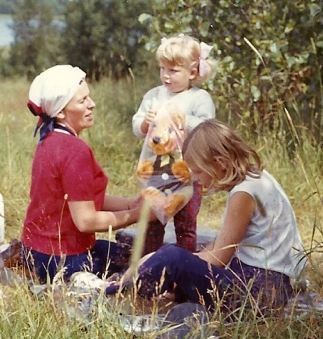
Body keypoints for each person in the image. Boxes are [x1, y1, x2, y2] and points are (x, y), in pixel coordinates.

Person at [131, 119, 308, 317]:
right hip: (266, 283)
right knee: (177, 260)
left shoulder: (244, 193)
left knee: (172, 257)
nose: (195, 178)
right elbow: (219, 245)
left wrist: (160, 259)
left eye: (198, 171)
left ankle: (123, 288)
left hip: (260, 293)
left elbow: (218, 258)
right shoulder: (257, 178)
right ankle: (161, 287)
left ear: (220, 163)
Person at [21, 64, 149, 283]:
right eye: (82, 101)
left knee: (124, 253)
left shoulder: (49, 139)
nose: (92, 104)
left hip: (35, 251)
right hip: (63, 258)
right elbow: (86, 221)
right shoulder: (75, 150)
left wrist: (129, 204)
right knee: (145, 263)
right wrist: (139, 215)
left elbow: (79, 199)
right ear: (61, 111)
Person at [132, 34, 218, 255]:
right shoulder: (154, 95)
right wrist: (145, 123)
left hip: (188, 172)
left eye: (173, 70)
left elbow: (207, 129)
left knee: (186, 223)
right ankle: (149, 263)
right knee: (152, 221)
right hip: (156, 169)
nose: (166, 76)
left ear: (192, 72)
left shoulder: (199, 98)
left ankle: (183, 262)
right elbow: (137, 127)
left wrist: (184, 119)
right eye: (162, 69)